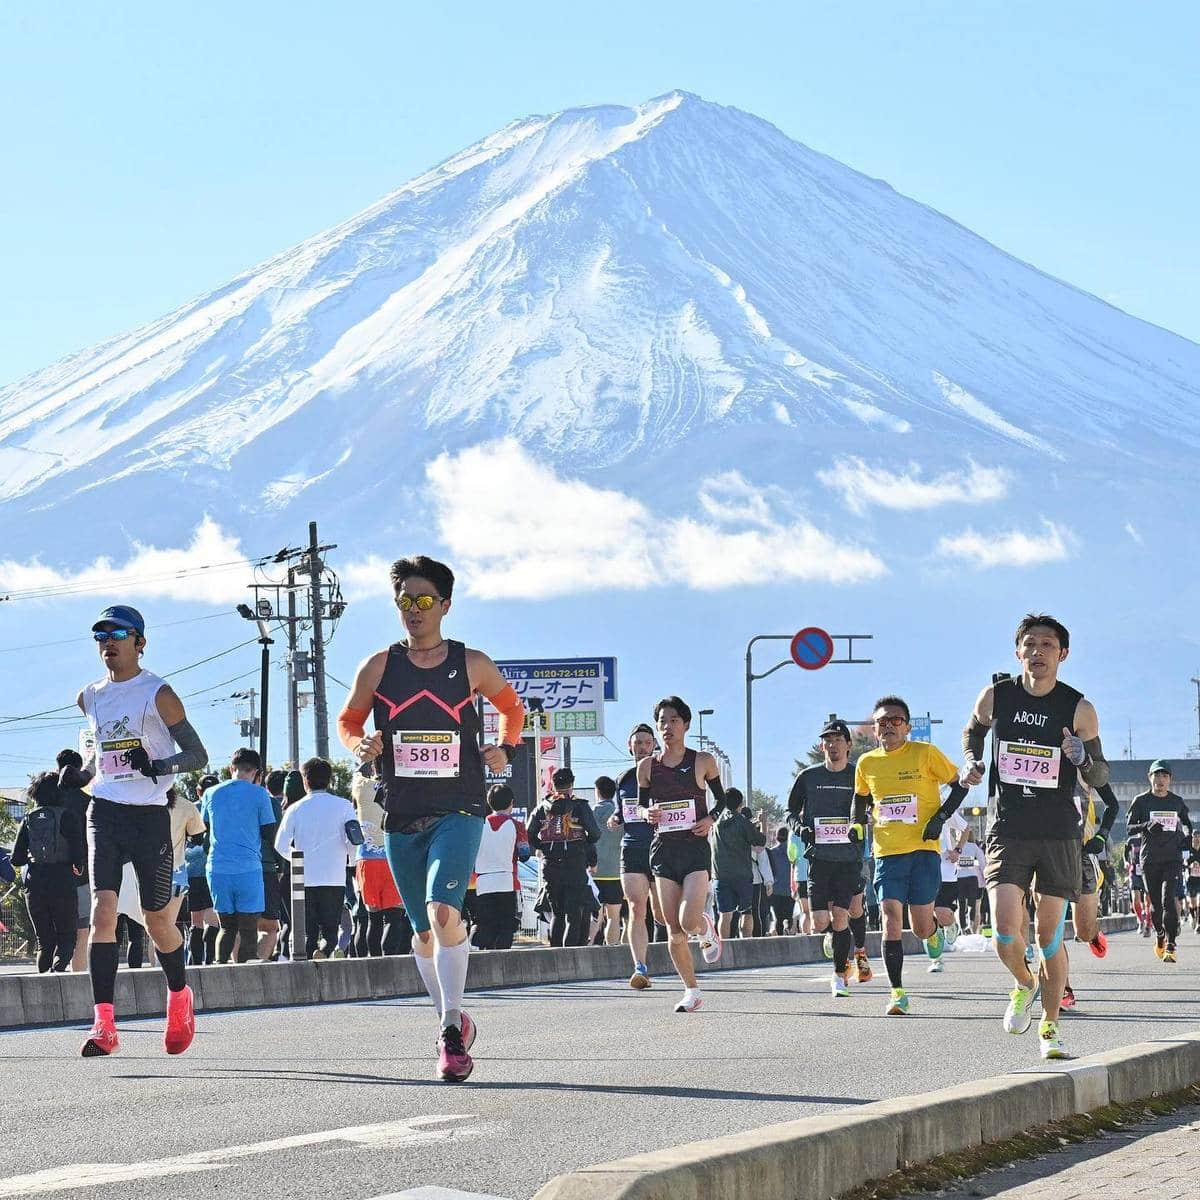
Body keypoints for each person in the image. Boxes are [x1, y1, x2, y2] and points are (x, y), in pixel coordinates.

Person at [337, 555, 525, 1083]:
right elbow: (349, 720)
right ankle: (456, 1015)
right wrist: (361, 744)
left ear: (444, 605)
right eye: (405, 602)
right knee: (420, 933)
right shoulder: (378, 667)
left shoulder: (471, 663)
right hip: (402, 811)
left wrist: (505, 749)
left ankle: (447, 1031)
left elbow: (512, 711)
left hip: (459, 808)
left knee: (445, 911)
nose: (413, 611)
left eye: (424, 601)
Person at [65, 605, 208, 1057]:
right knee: (102, 914)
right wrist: (78, 773)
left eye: (119, 634)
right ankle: (104, 1025)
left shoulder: (158, 692)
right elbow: (98, 757)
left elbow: (198, 755)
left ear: (139, 642)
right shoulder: (89, 696)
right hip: (104, 811)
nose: (108, 641)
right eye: (100, 635)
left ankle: (180, 997)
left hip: (149, 815)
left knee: (156, 920)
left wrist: (159, 765)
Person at [963, 613, 1108, 1061]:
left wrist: (1082, 757)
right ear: (1018, 651)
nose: (1038, 651)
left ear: (1062, 654)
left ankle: (1050, 1028)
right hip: (1008, 828)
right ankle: (1024, 984)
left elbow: (1102, 774)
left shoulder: (1078, 708)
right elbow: (974, 730)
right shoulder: (997, 695)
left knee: (1048, 938)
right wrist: (971, 758)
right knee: (1004, 933)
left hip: (1059, 834)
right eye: (1030, 643)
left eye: (1048, 644)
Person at [855, 696, 978, 1016]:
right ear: (874, 728)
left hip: (923, 851)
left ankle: (935, 930)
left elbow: (960, 785)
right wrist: (857, 826)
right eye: (882, 722)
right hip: (887, 853)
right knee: (890, 920)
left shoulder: (926, 754)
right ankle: (897, 993)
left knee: (920, 927)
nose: (888, 727)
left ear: (907, 727)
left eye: (895, 721)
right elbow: (860, 800)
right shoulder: (866, 763)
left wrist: (939, 818)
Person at [640, 696, 728, 1013]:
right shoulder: (647, 767)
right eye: (662, 721)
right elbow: (641, 804)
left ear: (686, 725)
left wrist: (711, 818)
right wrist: (646, 811)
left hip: (694, 848)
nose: (667, 727)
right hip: (663, 849)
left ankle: (704, 926)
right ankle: (691, 990)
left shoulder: (702, 760)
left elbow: (723, 800)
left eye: (674, 720)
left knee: (687, 919)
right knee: (673, 930)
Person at [790, 719, 869, 994]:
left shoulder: (859, 774)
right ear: (822, 745)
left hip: (848, 859)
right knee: (820, 922)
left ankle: (839, 976)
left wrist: (864, 823)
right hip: (819, 859)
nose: (832, 744)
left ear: (848, 744)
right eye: (827, 740)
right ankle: (837, 940)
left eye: (838, 739)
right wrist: (799, 828)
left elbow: (874, 807)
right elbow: (791, 812)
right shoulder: (809, 777)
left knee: (840, 917)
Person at [274, 757, 357, 959]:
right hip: (334, 876)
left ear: (305, 780)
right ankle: (328, 950)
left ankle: (310, 959)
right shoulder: (344, 805)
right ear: (329, 780)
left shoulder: (295, 809)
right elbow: (354, 839)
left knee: (308, 930)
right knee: (331, 929)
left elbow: (280, 845)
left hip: (304, 878)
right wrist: (350, 861)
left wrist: (297, 858)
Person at [201, 749, 277, 964]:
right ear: (255, 772)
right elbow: (269, 831)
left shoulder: (211, 793)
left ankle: (219, 966)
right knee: (248, 927)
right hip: (248, 868)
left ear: (231, 768)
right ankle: (246, 972)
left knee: (226, 926)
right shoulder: (260, 794)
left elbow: (203, 829)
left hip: (216, 867)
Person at [11, 772, 86, 973]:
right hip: (62, 880)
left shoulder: (28, 818)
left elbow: (16, 858)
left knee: (44, 942)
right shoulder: (68, 816)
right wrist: (78, 866)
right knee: (67, 938)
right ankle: (58, 970)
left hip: (35, 883)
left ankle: (44, 981)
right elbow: (79, 853)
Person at [610, 723, 664, 989]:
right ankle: (639, 968)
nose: (642, 747)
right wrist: (615, 817)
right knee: (635, 908)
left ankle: (700, 922)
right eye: (637, 742)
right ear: (629, 745)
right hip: (632, 847)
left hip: (663, 847)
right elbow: (623, 810)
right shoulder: (624, 779)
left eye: (646, 742)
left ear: (654, 745)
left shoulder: (666, 774)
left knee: (663, 914)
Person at [1127, 760, 1193, 963]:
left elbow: (1189, 826)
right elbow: (1129, 828)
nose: (1161, 780)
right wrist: (1146, 825)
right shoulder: (1141, 801)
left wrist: (1187, 840)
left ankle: (1171, 945)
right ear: (1150, 778)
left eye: (1165, 776)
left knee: (1168, 901)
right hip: (1150, 860)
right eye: (1157, 775)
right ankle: (1160, 935)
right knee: (1155, 905)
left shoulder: (1177, 801)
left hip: (1172, 859)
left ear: (1170, 780)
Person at [1061, 781, 1119, 1009]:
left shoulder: (1084, 764)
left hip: (1082, 853)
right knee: (1049, 932)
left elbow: (1112, 804)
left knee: (1082, 931)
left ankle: (1093, 933)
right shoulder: (1042, 760)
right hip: (1047, 852)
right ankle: (1062, 989)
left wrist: (1102, 836)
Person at [527, 768, 600, 947]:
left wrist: (543, 847)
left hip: (550, 864)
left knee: (557, 913)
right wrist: (583, 844)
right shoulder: (580, 806)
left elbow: (529, 834)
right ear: (572, 784)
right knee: (573, 915)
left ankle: (555, 956)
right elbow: (596, 834)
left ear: (553, 784)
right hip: (575, 863)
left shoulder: (542, 807)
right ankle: (570, 957)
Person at [351, 771, 412, 956]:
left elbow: (358, 770)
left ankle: (373, 962)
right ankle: (389, 960)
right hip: (393, 857)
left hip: (366, 861)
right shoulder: (401, 786)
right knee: (393, 918)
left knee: (373, 918)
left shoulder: (360, 786)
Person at [472, 783, 530, 950]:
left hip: (482, 882)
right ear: (511, 802)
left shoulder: (479, 824)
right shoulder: (517, 826)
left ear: (490, 803)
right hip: (507, 881)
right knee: (506, 927)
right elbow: (525, 855)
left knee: (486, 925)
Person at [54, 749, 92, 972]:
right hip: (82, 875)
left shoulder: (46, 802)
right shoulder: (88, 802)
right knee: (81, 934)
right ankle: (78, 979)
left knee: (51, 936)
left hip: (48, 876)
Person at [711, 788, 766, 940]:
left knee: (724, 915)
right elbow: (760, 841)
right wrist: (761, 823)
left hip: (720, 875)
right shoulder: (742, 821)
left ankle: (725, 947)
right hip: (742, 875)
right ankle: (746, 943)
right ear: (740, 804)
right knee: (746, 911)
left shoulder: (716, 822)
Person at [928, 810, 969, 975]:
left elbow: (966, 829)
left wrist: (957, 850)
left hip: (945, 870)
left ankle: (951, 923)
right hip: (922, 867)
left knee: (942, 914)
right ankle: (936, 960)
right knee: (926, 918)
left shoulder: (944, 807)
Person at [185, 774, 220, 965]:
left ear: (198, 791)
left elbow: (184, 846)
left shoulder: (191, 810)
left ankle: (195, 962)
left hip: (193, 872)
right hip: (214, 869)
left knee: (196, 921)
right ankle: (209, 959)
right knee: (213, 920)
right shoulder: (220, 809)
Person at [257, 769, 287, 961]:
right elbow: (276, 839)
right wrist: (281, 867)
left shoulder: (220, 798)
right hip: (266, 867)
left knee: (235, 926)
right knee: (269, 926)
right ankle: (257, 966)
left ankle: (238, 966)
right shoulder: (270, 804)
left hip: (227, 867)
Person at [590, 777, 623, 945]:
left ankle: (591, 947)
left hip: (593, 872)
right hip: (615, 872)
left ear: (597, 791)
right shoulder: (618, 814)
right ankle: (612, 949)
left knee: (595, 915)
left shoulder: (590, 812)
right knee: (614, 916)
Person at [766, 828, 794, 934]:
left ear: (776, 837)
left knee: (777, 917)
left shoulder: (771, 852)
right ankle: (787, 927)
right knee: (789, 914)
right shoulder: (792, 852)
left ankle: (780, 935)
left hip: (775, 890)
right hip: (789, 889)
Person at [956, 837, 986, 934]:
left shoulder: (956, 846)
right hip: (970, 878)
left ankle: (964, 927)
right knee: (969, 904)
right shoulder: (973, 846)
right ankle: (968, 926)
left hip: (961, 877)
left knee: (962, 904)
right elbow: (982, 862)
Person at [750, 836, 774, 936]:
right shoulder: (754, 836)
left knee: (732, 915)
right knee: (753, 913)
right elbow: (763, 860)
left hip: (731, 879)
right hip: (754, 879)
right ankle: (755, 940)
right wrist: (768, 882)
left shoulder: (725, 833)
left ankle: (729, 941)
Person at [1127, 833, 1149, 936]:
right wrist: (1126, 862)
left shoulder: (1150, 838)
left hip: (1147, 872)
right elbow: (1125, 853)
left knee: (1147, 900)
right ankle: (1140, 921)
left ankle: (1148, 923)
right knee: (1135, 899)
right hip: (1134, 872)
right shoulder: (1131, 840)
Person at [1184, 832, 1200, 934]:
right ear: (1192, 838)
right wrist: (1190, 865)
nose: (1197, 839)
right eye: (1195, 836)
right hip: (1190, 880)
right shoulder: (1187, 849)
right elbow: (1184, 861)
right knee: (1192, 903)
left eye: (1198, 836)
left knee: (1199, 902)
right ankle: (1193, 916)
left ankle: (1199, 923)